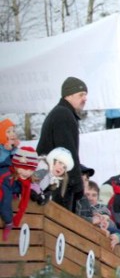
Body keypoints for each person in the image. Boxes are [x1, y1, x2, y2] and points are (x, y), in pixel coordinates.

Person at [37, 77, 87, 212]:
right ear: (68, 95)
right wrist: (76, 184)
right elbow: (67, 152)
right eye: (81, 95)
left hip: (55, 182)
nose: (85, 98)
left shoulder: (62, 113)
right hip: (59, 185)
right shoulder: (63, 115)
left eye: (86, 95)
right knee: (60, 229)